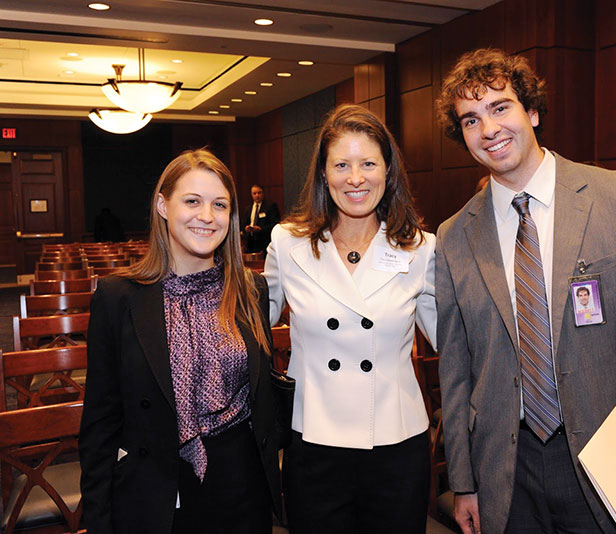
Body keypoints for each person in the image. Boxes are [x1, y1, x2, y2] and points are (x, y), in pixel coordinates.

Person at [435, 48, 616, 534]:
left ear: (533, 111)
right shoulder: (454, 235)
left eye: (501, 107)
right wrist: (464, 481)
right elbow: (457, 371)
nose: (488, 129)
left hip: (614, 458)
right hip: (507, 470)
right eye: (470, 120)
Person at [79, 149, 283, 533]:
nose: (206, 216)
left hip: (243, 488)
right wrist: (98, 520)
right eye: (192, 201)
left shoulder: (251, 289)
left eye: (219, 205)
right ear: (162, 205)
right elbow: (99, 424)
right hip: (155, 492)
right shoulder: (117, 296)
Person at [264, 104, 436, 534]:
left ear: (388, 171)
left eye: (368, 164)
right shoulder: (288, 244)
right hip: (314, 443)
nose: (355, 178)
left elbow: (456, 342)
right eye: (341, 164)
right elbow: (247, 330)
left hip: (396, 445)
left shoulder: (421, 248)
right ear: (324, 173)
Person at [241, 184, 280, 253]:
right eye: (254, 193)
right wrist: (246, 228)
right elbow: (243, 224)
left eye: (259, 193)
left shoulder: (270, 206)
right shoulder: (248, 209)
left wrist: (261, 229)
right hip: (251, 243)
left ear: (263, 193)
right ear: (251, 195)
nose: (257, 195)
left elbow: (275, 224)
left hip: (264, 242)